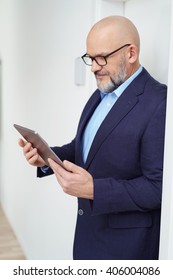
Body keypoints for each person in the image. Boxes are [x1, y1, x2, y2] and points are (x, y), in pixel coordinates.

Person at [18, 15, 167, 260]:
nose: (94, 67)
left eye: (102, 57)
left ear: (131, 53)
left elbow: (158, 188)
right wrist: (46, 158)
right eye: (90, 58)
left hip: (125, 251)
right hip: (88, 237)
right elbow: (83, 148)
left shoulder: (159, 102)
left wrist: (95, 189)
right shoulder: (100, 93)